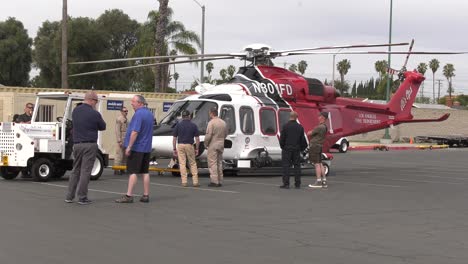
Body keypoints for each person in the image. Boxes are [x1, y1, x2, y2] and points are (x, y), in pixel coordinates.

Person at [65, 91, 106, 205]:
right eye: (96, 101)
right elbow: (103, 126)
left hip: (77, 144)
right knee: (86, 171)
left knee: (75, 170)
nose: (96, 103)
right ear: (92, 100)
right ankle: (82, 197)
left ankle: (69, 196)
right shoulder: (94, 113)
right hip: (89, 144)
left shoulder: (75, 111)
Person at [115, 95, 154, 203]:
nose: (131, 103)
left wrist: (129, 146)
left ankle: (129, 195)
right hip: (146, 148)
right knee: (145, 172)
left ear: (140, 103)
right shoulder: (150, 114)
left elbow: (135, 132)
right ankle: (146, 195)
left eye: (133, 102)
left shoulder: (138, 114)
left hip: (137, 148)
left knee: (133, 172)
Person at [279, 111, 308, 189]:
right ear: (296, 117)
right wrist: (301, 149)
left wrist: (283, 147)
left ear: (290, 116)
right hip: (296, 149)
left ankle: (286, 183)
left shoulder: (285, 126)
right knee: (297, 166)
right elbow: (303, 141)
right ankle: (297, 183)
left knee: (286, 166)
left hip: (287, 149)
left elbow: (282, 139)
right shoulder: (300, 127)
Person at [172, 110, 200, 187]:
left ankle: (184, 181)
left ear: (182, 116)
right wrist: (197, 149)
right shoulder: (193, 125)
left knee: (182, 163)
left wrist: (174, 149)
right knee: (192, 163)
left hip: (180, 145)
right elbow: (197, 139)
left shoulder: (178, 125)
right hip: (189, 145)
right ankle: (195, 181)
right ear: (189, 116)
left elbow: (174, 138)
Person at [204, 107, 227, 187]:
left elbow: (208, 135)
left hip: (213, 144)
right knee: (219, 162)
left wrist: (205, 144)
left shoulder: (211, 123)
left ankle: (214, 181)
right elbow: (226, 134)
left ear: (211, 113)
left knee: (212, 162)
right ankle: (220, 180)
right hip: (221, 144)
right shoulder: (223, 122)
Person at [308, 111, 329, 189]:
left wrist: (310, 132)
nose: (318, 117)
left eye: (319, 116)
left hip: (315, 146)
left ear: (323, 117)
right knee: (320, 163)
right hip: (319, 146)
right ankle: (324, 181)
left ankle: (318, 181)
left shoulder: (320, 127)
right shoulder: (325, 127)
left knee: (316, 164)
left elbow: (309, 133)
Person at [114, 106, 128, 175]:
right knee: (119, 155)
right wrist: (119, 140)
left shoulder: (126, 119)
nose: (126, 112)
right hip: (121, 139)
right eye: (125, 111)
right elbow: (117, 130)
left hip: (125, 139)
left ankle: (123, 168)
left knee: (125, 156)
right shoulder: (119, 119)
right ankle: (117, 169)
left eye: (127, 111)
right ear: (121, 112)